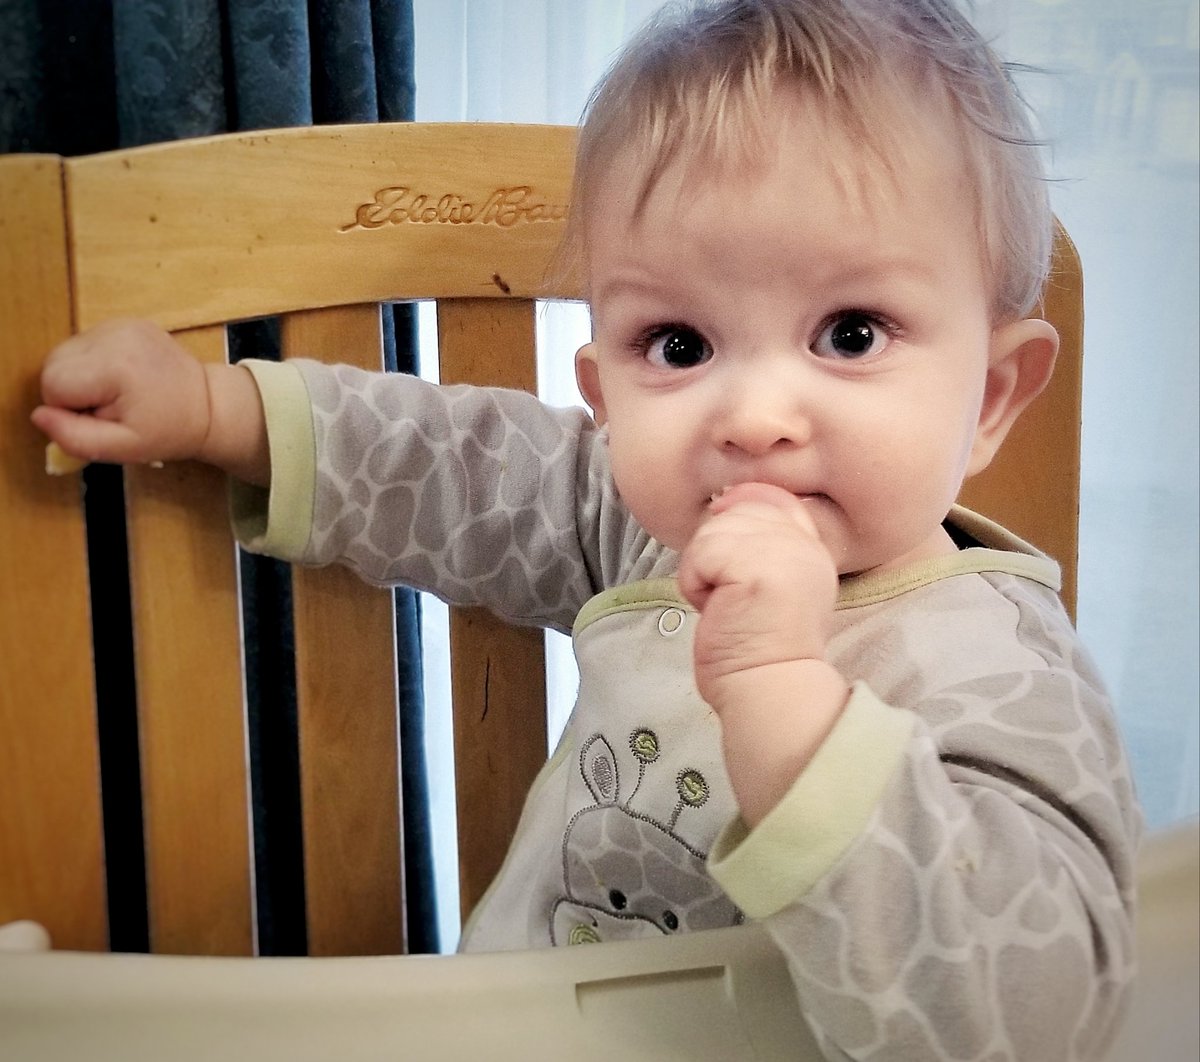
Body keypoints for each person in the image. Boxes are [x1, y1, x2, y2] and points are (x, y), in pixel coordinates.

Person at [32, 0, 1140, 1058]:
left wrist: (787, 699)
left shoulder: (998, 667)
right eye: (678, 345)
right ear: (603, 392)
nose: (753, 420)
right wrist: (217, 412)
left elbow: (1024, 1021)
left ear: (992, 398)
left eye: (850, 333)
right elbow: (448, 467)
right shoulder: (639, 527)